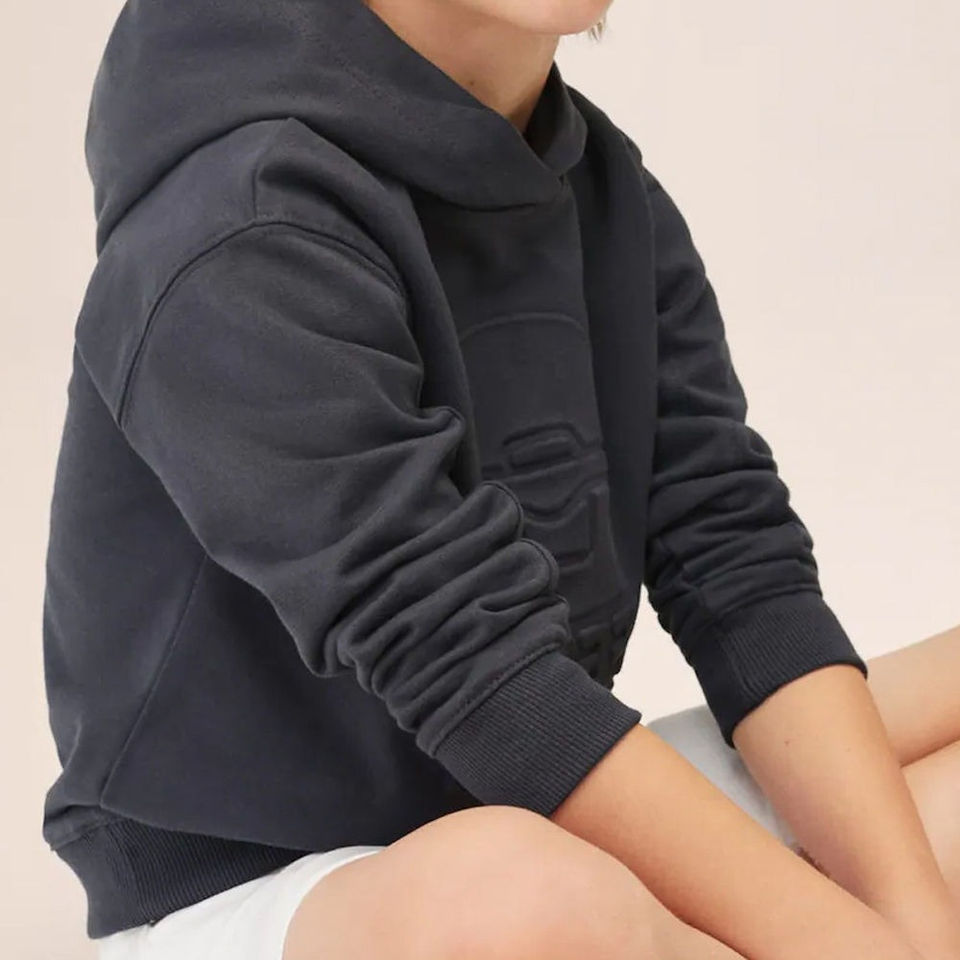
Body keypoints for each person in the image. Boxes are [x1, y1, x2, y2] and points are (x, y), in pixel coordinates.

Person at [40, 0, 960, 958]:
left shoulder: (602, 187)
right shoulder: (237, 217)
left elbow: (737, 570)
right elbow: (466, 665)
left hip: (530, 796)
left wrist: (910, 922)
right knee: (527, 902)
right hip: (268, 886)